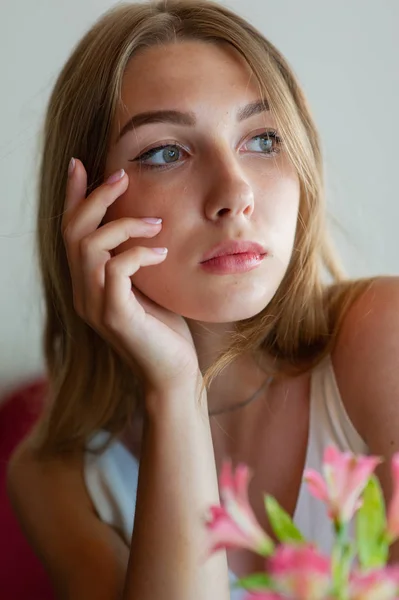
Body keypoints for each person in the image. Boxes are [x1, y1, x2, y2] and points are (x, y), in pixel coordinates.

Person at [6, 0, 399, 598]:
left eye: (263, 139)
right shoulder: (55, 476)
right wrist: (174, 387)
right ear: (86, 207)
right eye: (166, 152)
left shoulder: (383, 338)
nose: (234, 192)